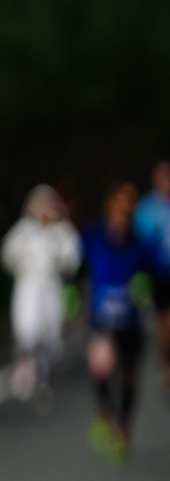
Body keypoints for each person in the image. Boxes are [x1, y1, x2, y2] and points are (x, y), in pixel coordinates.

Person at [79, 180, 170, 466]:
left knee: (130, 376)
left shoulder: (143, 243)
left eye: (129, 210)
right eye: (120, 208)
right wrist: (70, 294)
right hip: (103, 319)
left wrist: (149, 291)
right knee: (102, 363)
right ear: (110, 207)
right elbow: (76, 268)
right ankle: (104, 409)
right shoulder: (93, 237)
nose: (124, 214)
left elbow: (160, 280)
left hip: (131, 321)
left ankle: (124, 426)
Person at [0, 185, 80, 403]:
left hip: (52, 287)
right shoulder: (23, 230)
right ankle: (25, 369)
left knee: (50, 333)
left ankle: (44, 375)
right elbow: (7, 254)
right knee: (28, 328)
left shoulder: (62, 231)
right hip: (29, 286)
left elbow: (71, 259)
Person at [135, 160, 170, 264]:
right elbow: (143, 239)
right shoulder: (146, 208)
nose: (167, 179)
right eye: (164, 175)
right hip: (158, 269)